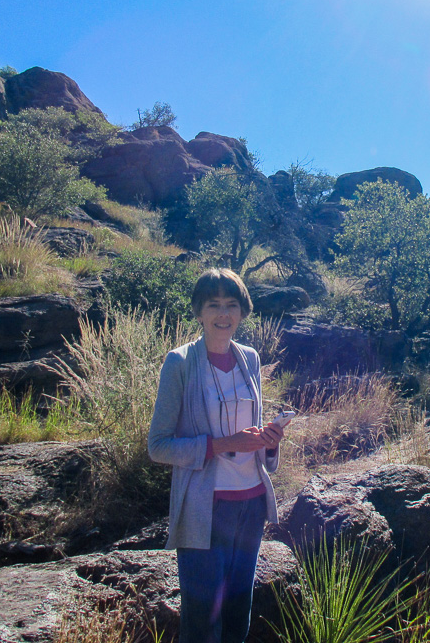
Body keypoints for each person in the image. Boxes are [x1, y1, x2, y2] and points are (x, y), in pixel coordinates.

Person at [148, 268, 284, 643]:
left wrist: (269, 441)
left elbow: (251, 438)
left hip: (251, 504)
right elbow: (158, 446)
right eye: (214, 305)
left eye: (231, 305)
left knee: (238, 616)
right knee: (202, 624)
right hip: (205, 508)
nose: (223, 314)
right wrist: (224, 444)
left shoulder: (250, 359)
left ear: (242, 312)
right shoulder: (179, 363)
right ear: (199, 312)